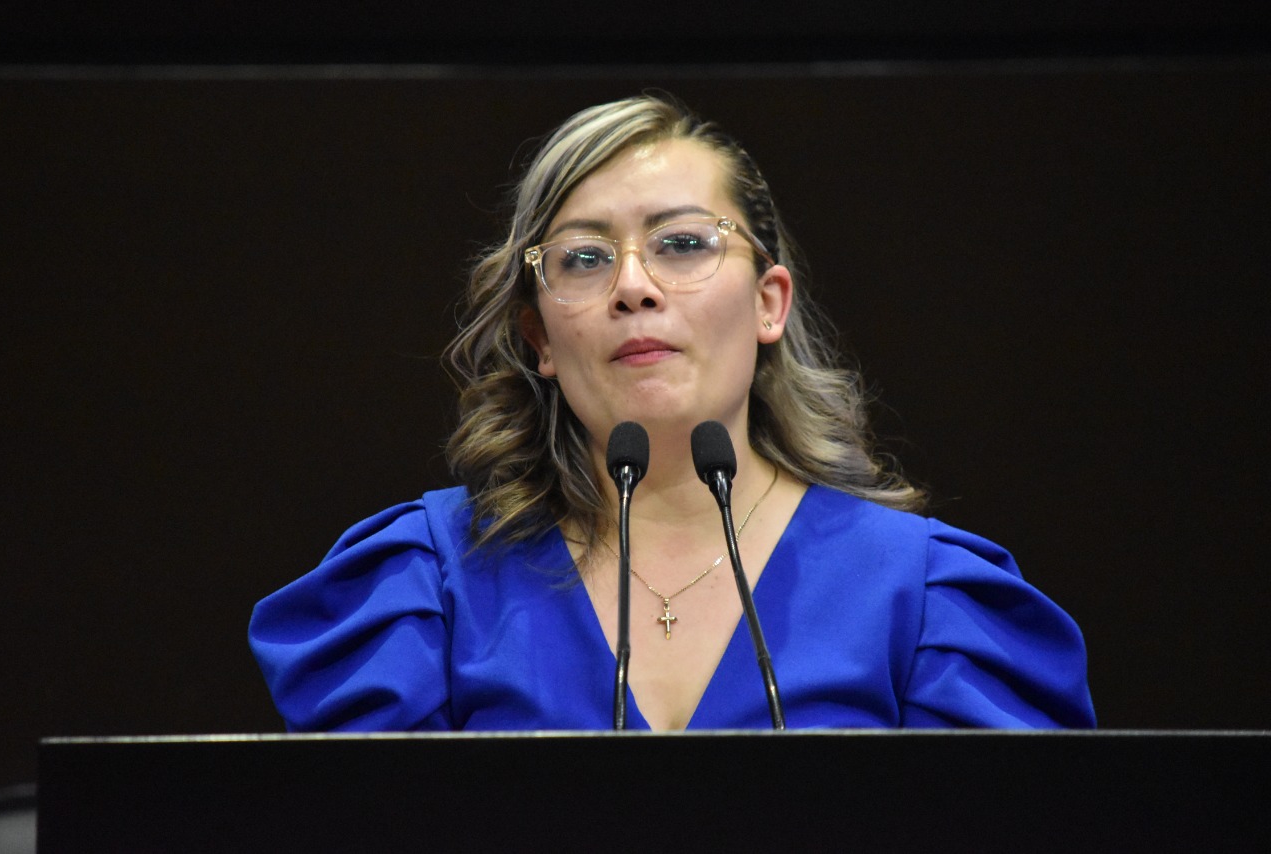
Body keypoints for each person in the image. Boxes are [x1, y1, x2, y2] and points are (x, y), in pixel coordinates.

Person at [249, 94, 1095, 732]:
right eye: (584, 259)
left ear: (769, 304)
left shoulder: (926, 600)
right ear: (540, 338)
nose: (632, 286)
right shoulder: (425, 588)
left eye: (683, 243)